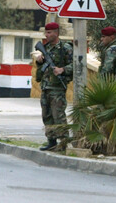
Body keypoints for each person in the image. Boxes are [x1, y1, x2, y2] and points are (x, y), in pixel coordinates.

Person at [34, 22, 73, 151]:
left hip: (57, 88)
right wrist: (39, 61)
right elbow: (42, 68)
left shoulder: (65, 48)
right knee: (47, 115)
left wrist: (62, 70)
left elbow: (76, 65)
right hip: (45, 87)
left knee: (59, 116)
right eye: (46, 32)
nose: (47, 35)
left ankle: (63, 142)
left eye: (49, 32)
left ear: (56, 33)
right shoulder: (47, 49)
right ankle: (51, 141)